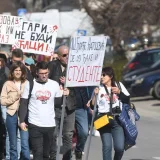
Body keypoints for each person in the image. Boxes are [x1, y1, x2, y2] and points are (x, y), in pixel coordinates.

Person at [19, 61, 69, 160]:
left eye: (46, 73)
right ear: (37, 72)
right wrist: (21, 121)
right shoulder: (30, 84)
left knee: (46, 154)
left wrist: (64, 95)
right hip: (34, 124)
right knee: (38, 153)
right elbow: (24, 103)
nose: (44, 76)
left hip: (50, 125)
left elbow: (58, 103)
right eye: (42, 73)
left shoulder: (54, 84)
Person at [92, 66, 130, 160]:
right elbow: (93, 105)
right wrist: (95, 95)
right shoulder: (98, 88)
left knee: (119, 148)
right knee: (107, 147)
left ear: (111, 76)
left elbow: (127, 99)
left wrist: (119, 92)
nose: (101, 77)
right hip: (103, 119)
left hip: (117, 119)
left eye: (104, 75)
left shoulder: (119, 85)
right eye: (100, 75)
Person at [49, 45, 77, 160]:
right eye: (64, 55)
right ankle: (53, 157)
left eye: (69, 54)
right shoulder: (52, 66)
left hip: (69, 106)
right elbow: (45, 81)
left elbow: (80, 87)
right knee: (53, 134)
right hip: (55, 106)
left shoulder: (75, 67)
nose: (67, 57)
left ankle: (67, 158)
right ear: (59, 56)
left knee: (68, 135)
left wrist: (69, 84)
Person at [1, 62, 30, 160]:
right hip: (11, 114)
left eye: (19, 70)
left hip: (24, 116)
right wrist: (13, 98)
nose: (18, 72)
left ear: (23, 72)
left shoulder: (27, 83)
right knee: (12, 142)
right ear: (12, 72)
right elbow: (2, 101)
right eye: (16, 70)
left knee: (24, 142)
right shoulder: (7, 84)